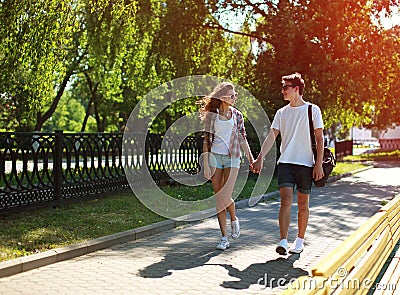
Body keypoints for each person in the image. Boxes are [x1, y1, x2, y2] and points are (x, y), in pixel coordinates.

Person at [251, 72, 324, 255]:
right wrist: (260, 157)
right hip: (285, 162)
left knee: (302, 203)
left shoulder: (312, 110)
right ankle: (283, 240)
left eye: (286, 87)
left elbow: (320, 138)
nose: (282, 91)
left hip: (306, 164)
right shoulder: (281, 113)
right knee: (285, 200)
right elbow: (271, 137)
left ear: (296, 89)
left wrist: (319, 164)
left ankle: (299, 240)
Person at [198, 82, 255, 250]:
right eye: (232, 96)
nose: (235, 98)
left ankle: (234, 218)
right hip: (215, 158)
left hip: (232, 158)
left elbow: (243, 139)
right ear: (222, 98)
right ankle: (224, 238)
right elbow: (206, 140)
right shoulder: (212, 116)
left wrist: (251, 159)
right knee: (218, 198)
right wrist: (207, 165)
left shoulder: (237, 116)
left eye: (235, 95)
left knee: (224, 196)